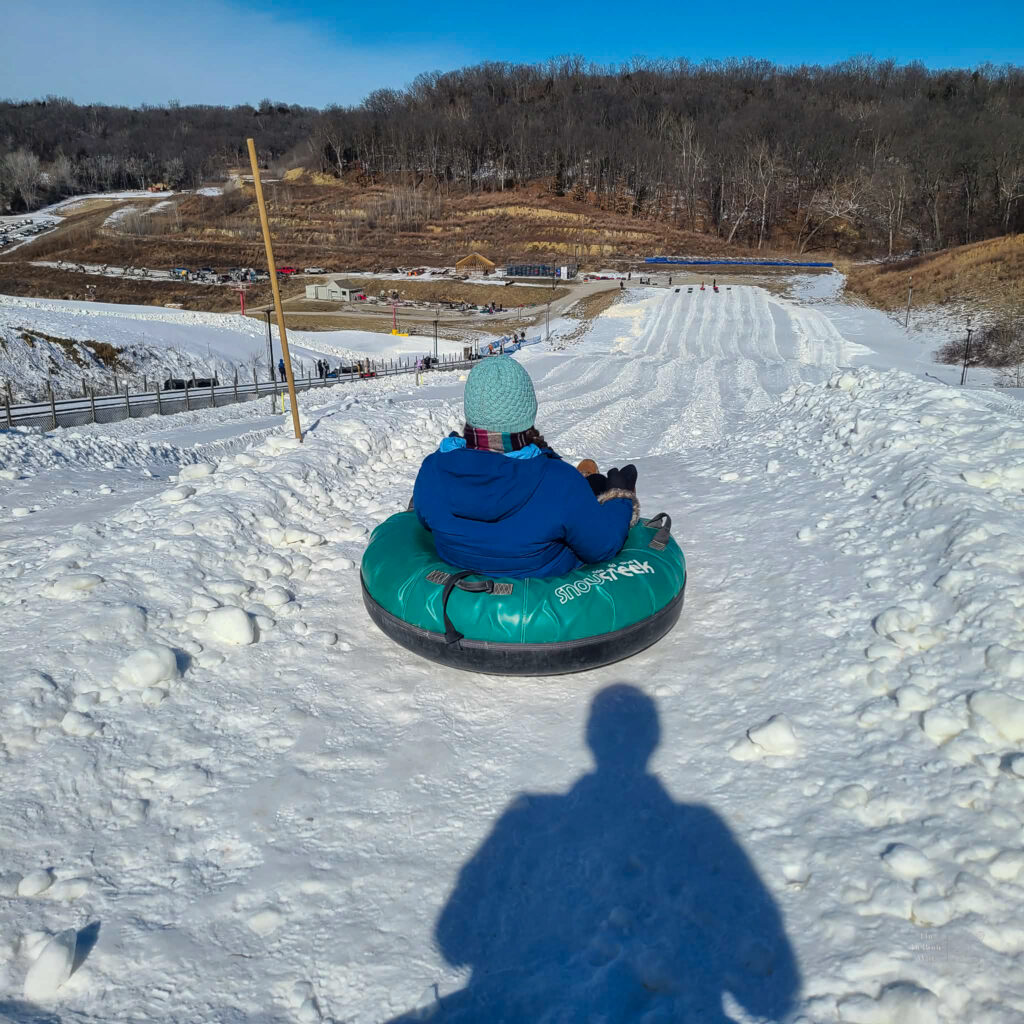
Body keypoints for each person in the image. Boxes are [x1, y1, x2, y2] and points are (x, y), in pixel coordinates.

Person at [412, 356, 638, 579]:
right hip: (542, 594)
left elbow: (425, 520)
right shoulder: (559, 482)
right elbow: (602, 547)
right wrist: (620, 498)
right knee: (594, 487)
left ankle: (589, 485)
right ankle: (592, 485)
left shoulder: (433, 469)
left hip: (461, 586)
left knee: (581, 491)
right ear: (528, 411)